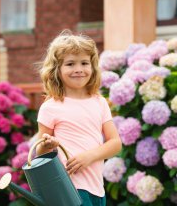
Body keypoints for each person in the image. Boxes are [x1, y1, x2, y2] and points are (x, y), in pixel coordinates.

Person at [36, 31, 122, 206]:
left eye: (84, 63)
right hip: (69, 188)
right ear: (56, 70)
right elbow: (40, 154)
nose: (78, 69)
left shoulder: (99, 103)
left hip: (97, 187)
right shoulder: (51, 106)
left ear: (93, 67)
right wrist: (47, 146)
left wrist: (89, 156)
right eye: (70, 64)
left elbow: (115, 143)